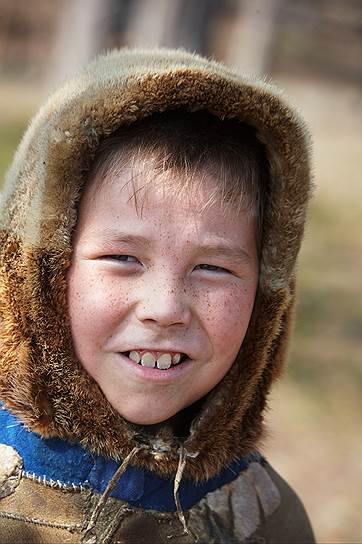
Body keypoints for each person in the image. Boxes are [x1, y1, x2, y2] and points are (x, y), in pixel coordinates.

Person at [0, 48, 315, 543]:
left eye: (212, 267)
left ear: (268, 301)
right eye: (123, 258)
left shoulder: (265, 520)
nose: (165, 308)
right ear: (35, 275)